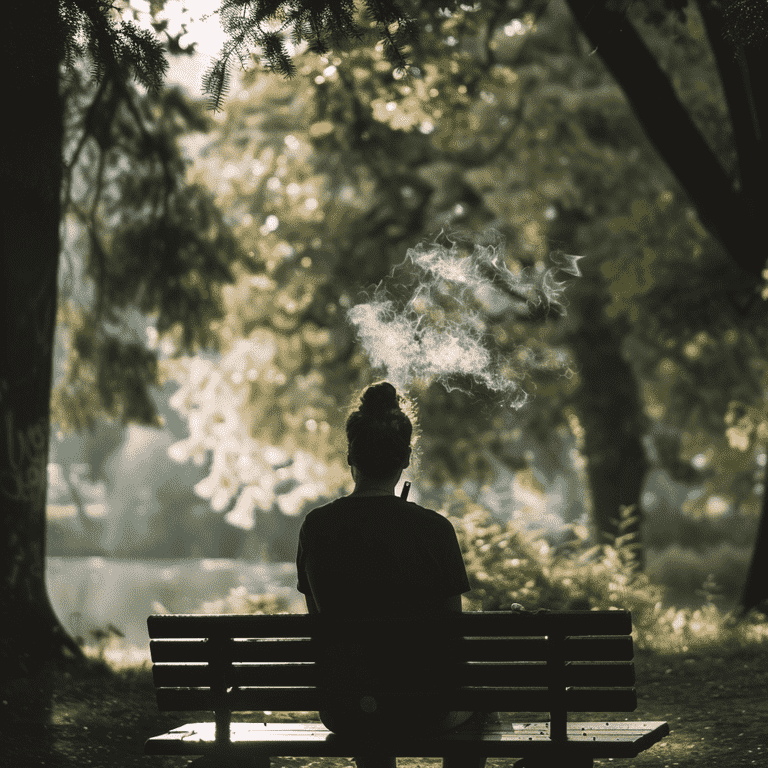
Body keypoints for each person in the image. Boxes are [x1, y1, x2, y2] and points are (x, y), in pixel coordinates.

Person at [296, 381, 487, 768]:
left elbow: (319, 623)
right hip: (423, 707)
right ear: (405, 460)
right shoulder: (434, 530)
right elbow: (453, 633)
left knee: (366, 695)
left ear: (351, 457)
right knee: (481, 707)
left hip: (345, 708)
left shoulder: (316, 527)